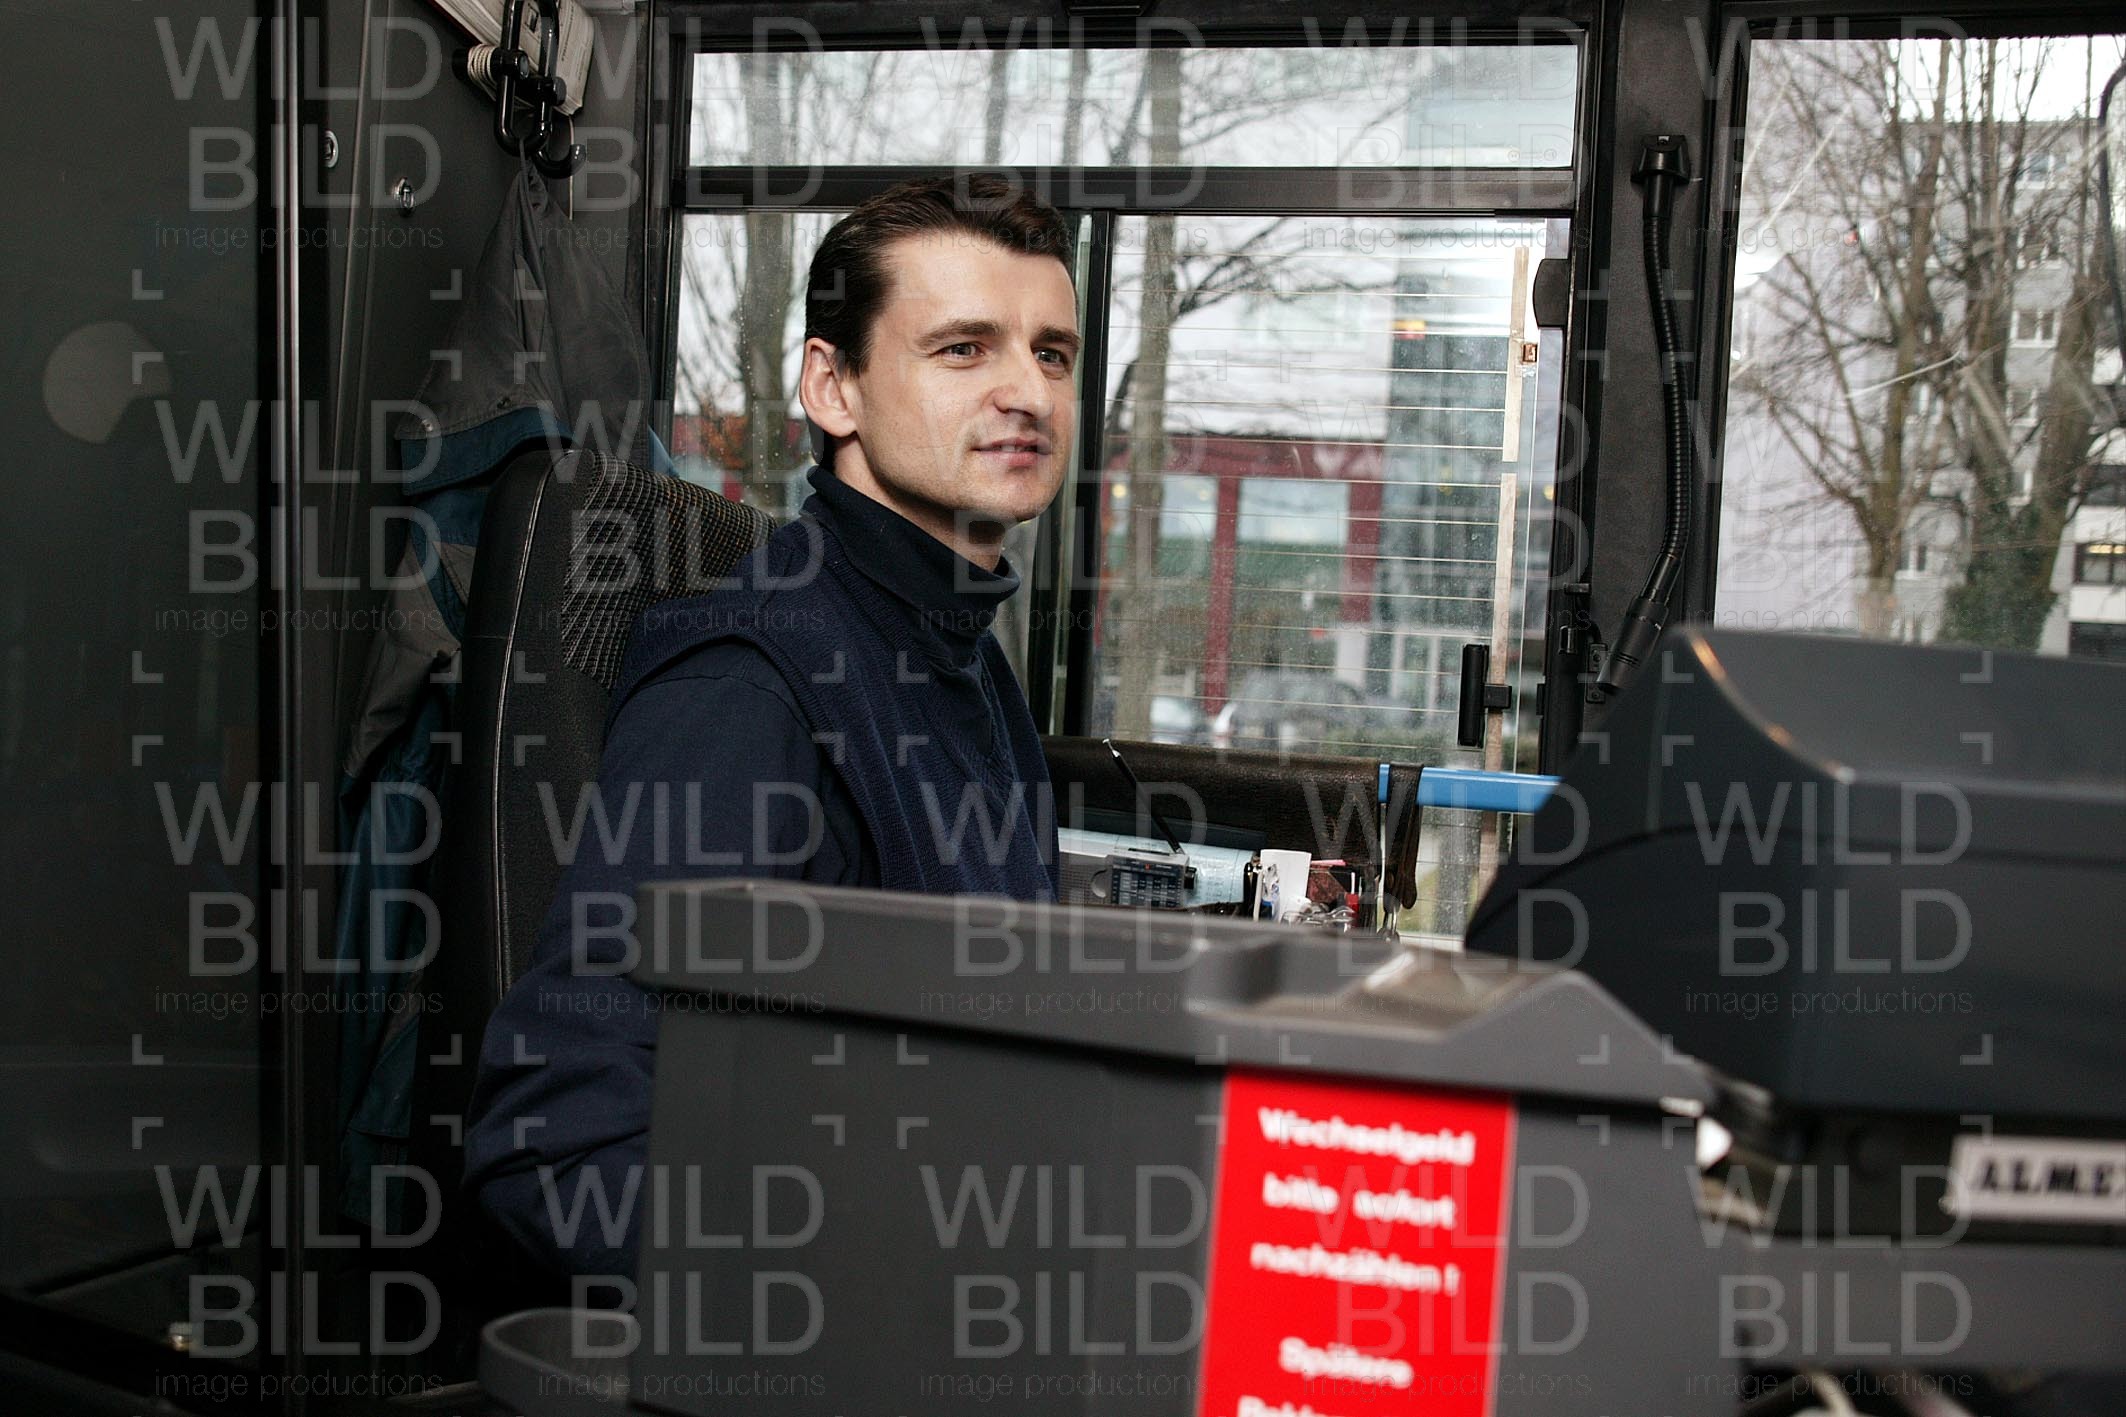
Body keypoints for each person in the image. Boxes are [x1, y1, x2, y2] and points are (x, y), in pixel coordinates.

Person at [461, 174, 1077, 1281]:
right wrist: (869, 1296)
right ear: (832, 387)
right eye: (962, 349)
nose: (1027, 391)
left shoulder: (966, 660)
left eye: (1052, 353)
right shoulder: (749, 689)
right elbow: (556, 1154)